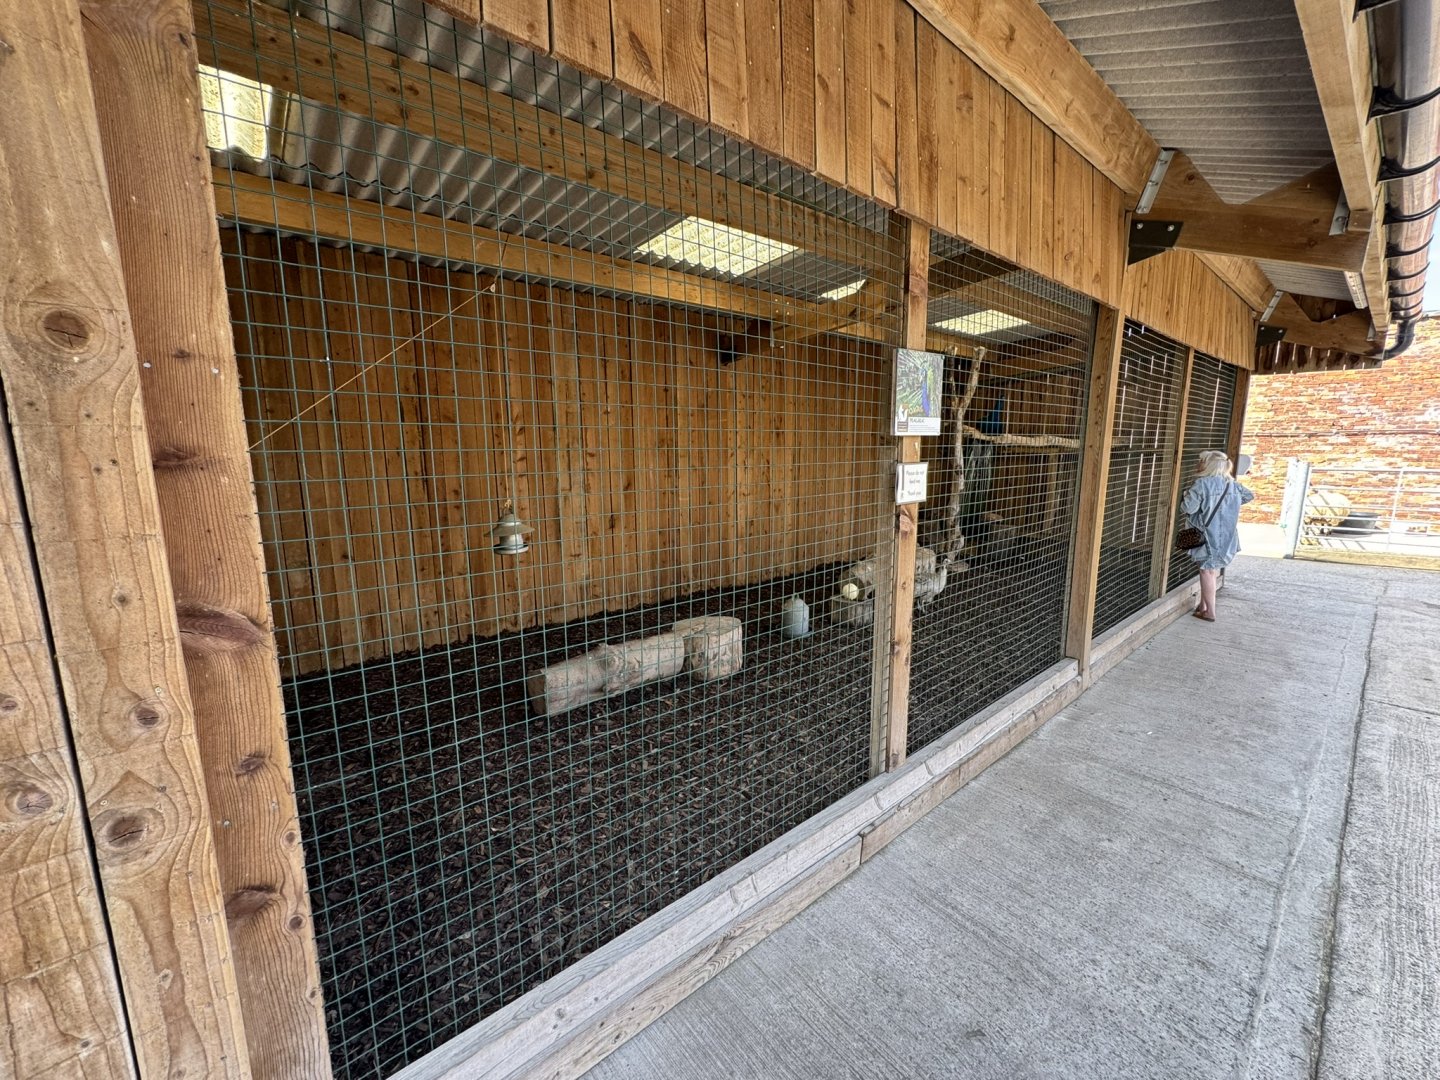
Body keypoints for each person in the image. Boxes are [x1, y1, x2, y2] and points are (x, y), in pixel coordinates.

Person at [1178, 450, 1254, 622]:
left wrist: (1186, 496)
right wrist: (1229, 505)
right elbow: (1249, 496)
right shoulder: (1232, 485)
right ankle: (1203, 606)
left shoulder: (1201, 484)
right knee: (1211, 570)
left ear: (1208, 465)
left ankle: (1210, 612)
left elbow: (1188, 508)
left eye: (1202, 461)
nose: (1199, 464)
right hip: (1227, 536)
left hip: (1205, 536)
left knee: (1206, 571)